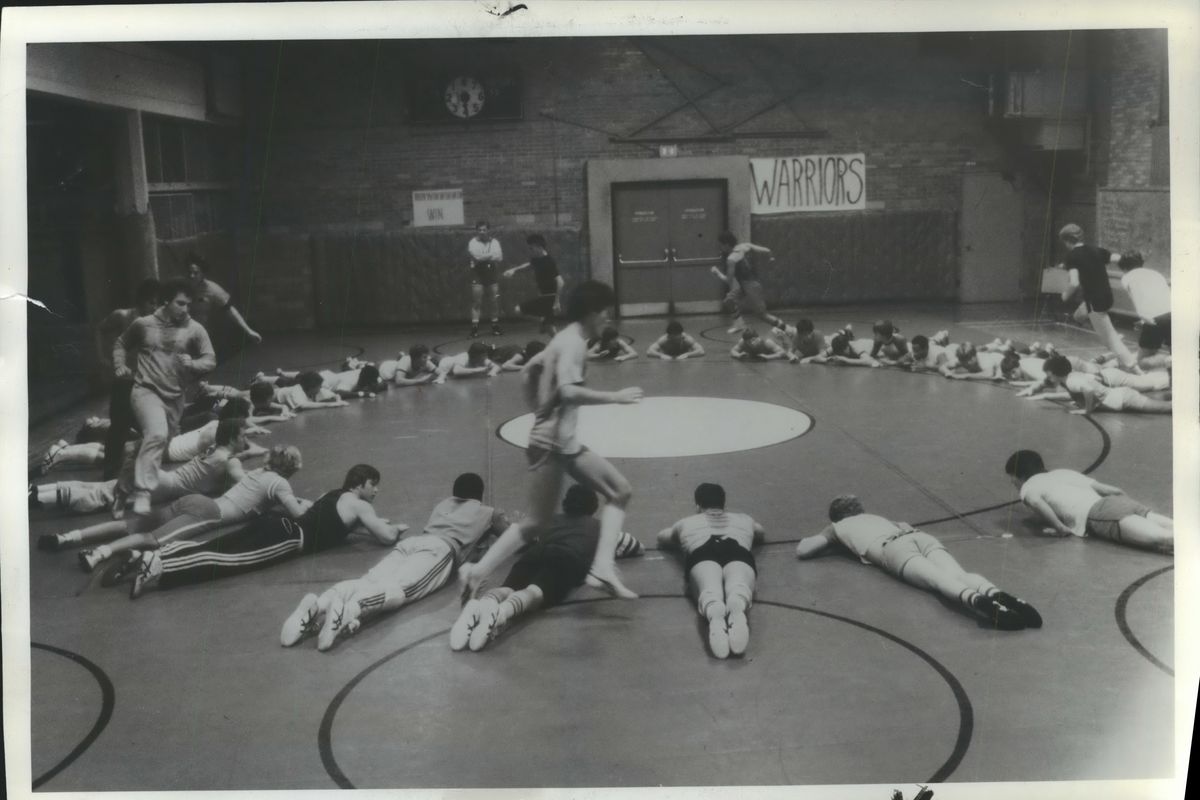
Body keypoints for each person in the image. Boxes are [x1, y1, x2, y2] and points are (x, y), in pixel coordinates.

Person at [457, 280, 644, 601]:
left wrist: (538, 408)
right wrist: (615, 396)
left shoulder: (564, 339)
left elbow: (529, 369)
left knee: (616, 492)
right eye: (604, 313)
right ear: (590, 312)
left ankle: (601, 567)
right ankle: (476, 572)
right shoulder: (573, 343)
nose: (608, 319)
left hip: (558, 440)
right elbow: (568, 391)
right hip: (553, 443)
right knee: (540, 521)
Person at [281, 473, 508, 652]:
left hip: (413, 543)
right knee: (401, 590)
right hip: (440, 550)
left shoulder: (443, 505)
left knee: (369, 580)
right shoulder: (487, 511)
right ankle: (350, 610)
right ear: (479, 494)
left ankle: (320, 603)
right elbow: (512, 537)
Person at [127, 464, 403, 599]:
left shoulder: (334, 494)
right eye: (373, 484)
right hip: (289, 536)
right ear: (361, 484)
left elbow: (337, 524)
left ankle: (160, 554)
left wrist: (368, 527)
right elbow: (386, 537)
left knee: (217, 545)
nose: (376, 490)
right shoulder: (359, 504)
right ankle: (158, 566)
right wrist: (395, 529)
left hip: (274, 522)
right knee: (227, 559)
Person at [796, 495, 1041, 630]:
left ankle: (982, 604)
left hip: (892, 548)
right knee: (959, 573)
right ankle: (1001, 595)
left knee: (938, 581)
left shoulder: (839, 526)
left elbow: (804, 550)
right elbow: (905, 527)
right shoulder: (881, 518)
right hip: (915, 536)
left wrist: (831, 536)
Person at [451, 485, 645, 652]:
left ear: (566, 503)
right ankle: (501, 613)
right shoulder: (599, 527)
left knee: (508, 587)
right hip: (566, 560)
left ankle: (482, 604)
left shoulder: (550, 521)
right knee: (533, 593)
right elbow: (635, 546)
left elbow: (527, 538)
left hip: (536, 553)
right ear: (593, 508)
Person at [76, 445, 307, 572]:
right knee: (152, 539)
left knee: (137, 525)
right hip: (208, 513)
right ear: (290, 470)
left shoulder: (260, 473)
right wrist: (308, 504)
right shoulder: (281, 484)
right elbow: (298, 515)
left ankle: (75, 538)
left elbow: (265, 493)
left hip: (196, 500)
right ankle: (100, 552)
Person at [113, 278, 217, 515]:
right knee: (157, 434)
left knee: (156, 442)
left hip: (174, 398)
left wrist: (195, 363)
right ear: (166, 302)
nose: (185, 309)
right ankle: (142, 492)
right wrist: (119, 365)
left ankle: (121, 489)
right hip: (145, 391)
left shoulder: (194, 329)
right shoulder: (143, 324)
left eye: (188, 305)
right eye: (180, 304)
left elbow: (210, 358)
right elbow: (120, 343)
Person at [33, 418, 251, 528]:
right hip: (162, 484)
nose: (246, 440)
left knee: (102, 488)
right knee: (102, 495)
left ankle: (38, 491)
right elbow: (246, 482)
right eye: (243, 436)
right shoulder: (229, 462)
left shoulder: (214, 449)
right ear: (232, 439)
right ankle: (37, 497)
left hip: (160, 476)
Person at [656, 483, 764, 659]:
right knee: (739, 587)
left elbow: (662, 537)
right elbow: (760, 532)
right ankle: (737, 603)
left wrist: (679, 534)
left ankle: (714, 611)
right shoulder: (744, 519)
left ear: (698, 506)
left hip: (702, 551)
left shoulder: (687, 523)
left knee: (709, 591)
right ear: (723, 504)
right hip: (738, 550)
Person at [1005, 450, 1173, 553]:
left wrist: (1060, 528)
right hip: (1118, 502)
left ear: (1018, 475)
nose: (1013, 484)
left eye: (1012, 480)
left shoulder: (1028, 486)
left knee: (1164, 539)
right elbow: (1112, 491)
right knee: (1173, 528)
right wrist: (1126, 506)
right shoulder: (1061, 473)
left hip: (1100, 514)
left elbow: (1035, 502)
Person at [96, 278, 161, 479]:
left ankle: (144, 467)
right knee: (119, 427)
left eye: (158, 303)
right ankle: (110, 471)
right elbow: (99, 329)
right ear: (141, 301)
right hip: (124, 382)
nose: (155, 307)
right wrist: (102, 358)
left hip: (144, 382)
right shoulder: (123, 316)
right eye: (151, 302)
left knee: (150, 424)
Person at [1057, 224, 1138, 370]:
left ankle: (1135, 369)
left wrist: (1064, 296)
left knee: (1110, 340)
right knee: (1079, 315)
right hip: (1107, 297)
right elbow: (1117, 258)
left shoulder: (1072, 256)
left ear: (1067, 241)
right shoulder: (1095, 249)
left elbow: (1074, 283)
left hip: (1095, 301)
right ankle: (1094, 324)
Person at [1017, 354, 1171, 415]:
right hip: (1121, 395)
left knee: (1164, 408)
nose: (1047, 377)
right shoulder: (1070, 378)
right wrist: (1045, 394)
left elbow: (1088, 390)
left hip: (1124, 397)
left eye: (1049, 374)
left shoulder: (1071, 381)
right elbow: (1076, 393)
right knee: (1162, 405)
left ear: (1055, 373)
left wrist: (1087, 410)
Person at [710, 231, 784, 333]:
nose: (720, 248)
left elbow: (728, 281)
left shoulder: (731, 259)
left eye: (721, 245)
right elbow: (765, 250)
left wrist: (717, 272)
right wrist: (770, 255)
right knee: (729, 301)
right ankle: (739, 325)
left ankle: (787, 329)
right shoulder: (744, 246)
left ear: (726, 244)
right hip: (746, 285)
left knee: (762, 315)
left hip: (751, 286)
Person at [185, 253, 263, 344]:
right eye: (189, 272)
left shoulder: (212, 289)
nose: (192, 276)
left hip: (199, 337)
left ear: (203, 273)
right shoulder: (181, 287)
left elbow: (229, 309)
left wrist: (249, 331)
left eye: (196, 273)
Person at [1116, 251, 1172, 359]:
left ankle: (1168, 362)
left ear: (1124, 267)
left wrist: (1144, 318)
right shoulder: (1155, 274)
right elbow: (1160, 297)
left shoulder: (1126, 278)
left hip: (1154, 318)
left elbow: (1138, 297)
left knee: (1143, 361)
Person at [504, 233, 563, 335]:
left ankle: (544, 322)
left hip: (550, 299)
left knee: (552, 331)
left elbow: (560, 282)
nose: (530, 250)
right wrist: (514, 270)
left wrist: (557, 302)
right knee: (519, 311)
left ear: (539, 247)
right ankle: (543, 321)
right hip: (543, 298)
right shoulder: (537, 259)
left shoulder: (549, 262)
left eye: (532, 248)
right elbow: (529, 265)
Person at [467, 220, 504, 338]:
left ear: (488, 230)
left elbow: (499, 257)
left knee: (494, 301)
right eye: (479, 230)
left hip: (491, 273)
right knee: (477, 302)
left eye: (484, 230)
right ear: (476, 231)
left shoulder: (495, 242)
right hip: (478, 274)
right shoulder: (473, 242)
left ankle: (495, 326)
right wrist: (490, 256)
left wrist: (484, 257)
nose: (482, 232)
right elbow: (477, 258)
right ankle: (474, 328)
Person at [434, 342, 502, 383]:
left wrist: (493, 371)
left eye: (485, 355)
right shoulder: (464, 357)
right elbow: (457, 371)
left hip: (450, 360)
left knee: (452, 359)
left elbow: (496, 366)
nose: (486, 357)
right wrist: (477, 370)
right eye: (484, 355)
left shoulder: (483, 359)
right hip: (441, 362)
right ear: (476, 356)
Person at [941, 343, 1007, 381]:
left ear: (974, 356)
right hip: (990, 354)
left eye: (970, 360)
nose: (968, 363)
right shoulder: (962, 359)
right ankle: (995, 343)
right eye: (965, 362)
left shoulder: (984, 360)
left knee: (1003, 349)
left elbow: (989, 374)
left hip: (1001, 356)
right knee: (982, 348)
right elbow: (942, 366)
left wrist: (964, 376)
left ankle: (1002, 345)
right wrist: (947, 372)